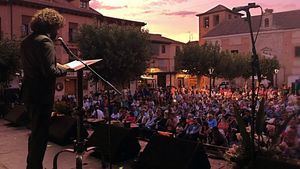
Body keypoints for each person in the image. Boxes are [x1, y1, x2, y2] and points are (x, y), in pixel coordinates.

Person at [21, 8, 69, 169]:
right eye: (56, 28)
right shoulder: (45, 41)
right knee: (40, 135)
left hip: (29, 93)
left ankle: (32, 165)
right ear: (51, 26)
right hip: (41, 95)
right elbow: (50, 71)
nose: (57, 32)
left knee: (34, 133)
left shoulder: (26, 41)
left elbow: (38, 66)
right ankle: (35, 166)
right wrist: (66, 68)